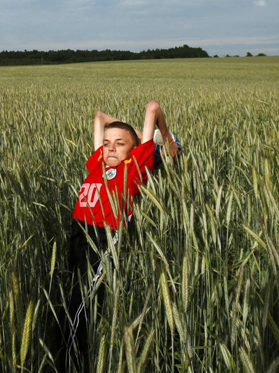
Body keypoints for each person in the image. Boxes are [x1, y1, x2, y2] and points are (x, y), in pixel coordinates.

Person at [57, 100, 179, 373]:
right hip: (78, 231)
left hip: (103, 237)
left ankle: (68, 362)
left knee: (81, 306)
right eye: (107, 142)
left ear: (136, 150)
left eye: (119, 143)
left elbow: (153, 107)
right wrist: (128, 134)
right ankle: (75, 354)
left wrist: (165, 143)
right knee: (72, 297)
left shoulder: (136, 166)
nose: (110, 146)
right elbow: (99, 116)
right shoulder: (99, 161)